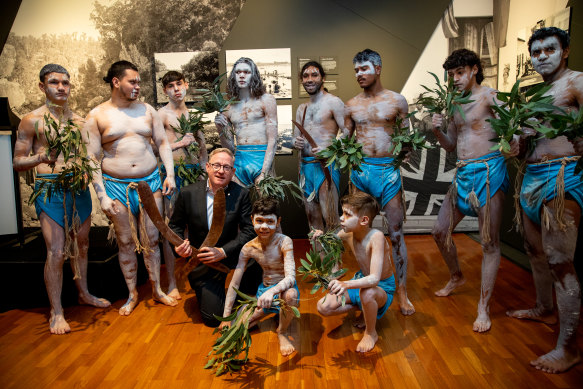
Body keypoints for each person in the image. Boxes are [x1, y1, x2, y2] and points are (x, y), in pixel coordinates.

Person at [506, 27, 582, 373]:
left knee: (558, 258)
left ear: (564, 50)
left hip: (563, 179)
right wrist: (517, 144)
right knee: (535, 251)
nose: (542, 57)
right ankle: (544, 307)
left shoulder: (577, 82)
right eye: (536, 52)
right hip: (531, 179)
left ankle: (568, 348)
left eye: (549, 50)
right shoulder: (533, 94)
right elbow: (524, 147)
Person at [13, 64, 110, 334]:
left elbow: (90, 158)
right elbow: (17, 162)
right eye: (54, 82)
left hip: (78, 189)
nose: (61, 87)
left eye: (65, 83)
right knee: (56, 251)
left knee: (82, 244)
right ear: (42, 87)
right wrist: (41, 157)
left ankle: (84, 293)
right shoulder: (31, 120)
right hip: (50, 189)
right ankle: (56, 312)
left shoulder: (80, 122)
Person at [85, 60, 177, 316]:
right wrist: (101, 196)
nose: (138, 86)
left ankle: (157, 289)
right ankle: (132, 293)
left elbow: (162, 143)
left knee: (153, 239)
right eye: (132, 81)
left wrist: (169, 174)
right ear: (116, 82)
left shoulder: (148, 110)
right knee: (126, 242)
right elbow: (91, 159)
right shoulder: (97, 115)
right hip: (116, 187)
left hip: (150, 182)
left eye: (138, 82)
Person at [430, 49, 509, 333]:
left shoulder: (490, 96)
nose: (455, 79)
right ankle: (457, 276)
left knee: (489, 242)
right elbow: (451, 144)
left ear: (474, 69)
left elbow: (515, 126)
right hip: (462, 173)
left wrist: (512, 147)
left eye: (459, 73)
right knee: (439, 231)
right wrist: (437, 130)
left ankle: (483, 307)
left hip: (489, 172)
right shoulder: (453, 103)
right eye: (451, 75)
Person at [344, 49, 414, 315]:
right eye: (356, 70)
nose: (359, 74)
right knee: (360, 234)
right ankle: (367, 286)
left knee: (396, 234)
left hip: (387, 171)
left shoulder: (397, 100)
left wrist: (407, 151)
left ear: (378, 68)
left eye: (364, 69)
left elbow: (407, 137)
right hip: (360, 172)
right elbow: (346, 137)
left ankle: (403, 291)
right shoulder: (351, 104)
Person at [171, 148, 263, 327]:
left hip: (231, 256)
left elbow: (249, 231)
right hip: (204, 263)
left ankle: (242, 294)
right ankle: (209, 290)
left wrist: (223, 251)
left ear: (232, 172)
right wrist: (178, 246)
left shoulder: (241, 194)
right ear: (207, 167)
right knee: (214, 319)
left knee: (258, 262)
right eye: (217, 165)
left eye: (227, 167)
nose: (221, 170)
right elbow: (175, 226)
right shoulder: (188, 193)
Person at [316, 192, 395, 353]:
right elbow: (331, 245)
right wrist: (321, 239)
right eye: (342, 212)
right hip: (361, 280)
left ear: (364, 220)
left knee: (367, 293)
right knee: (323, 307)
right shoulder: (346, 233)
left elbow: (374, 279)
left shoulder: (376, 237)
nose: (341, 218)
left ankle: (371, 333)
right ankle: (366, 310)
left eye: (347, 214)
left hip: (381, 286)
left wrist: (345, 284)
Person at [220, 197, 299, 356]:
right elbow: (235, 282)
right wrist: (225, 316)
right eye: (259, 221)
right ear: (252, 220)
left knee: (291, 295)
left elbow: (291, 277)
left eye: (270, 221)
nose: (264, 226)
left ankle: (282, 331)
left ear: (278, 222)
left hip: (283, 291)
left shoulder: (284, 241)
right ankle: (262, 314)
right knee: (236, 328)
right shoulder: (248, 248)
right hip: (264, 293)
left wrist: (273, 291)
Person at [157, 70, 208, 300]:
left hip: (196, 174)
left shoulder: (194, 113)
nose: (176, 89)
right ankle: (172, 282)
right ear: (165, 90)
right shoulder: (161, 115)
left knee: (198, 225)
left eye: (179, 84)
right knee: (173, 229)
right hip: (173, 175)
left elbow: (202, 144)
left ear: (186, 85)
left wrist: (207, 171)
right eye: (170, 86)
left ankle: (199, 275)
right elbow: (156, 147)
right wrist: (179, 143)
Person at [293, 61, 348, 230]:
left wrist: (330, 149)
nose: (310, 79)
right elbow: (295, 139)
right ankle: (320, 257)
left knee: (330, 218)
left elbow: (348, 132)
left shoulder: (334, 102)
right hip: (306, 168)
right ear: (301, 80)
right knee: (313, 220)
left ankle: (334, 257)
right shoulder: (302, 108)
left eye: (314, 75)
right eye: (305, 76)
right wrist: (295, 142)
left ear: (323, 78)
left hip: (326, 167)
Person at [214, 57, 277, 187]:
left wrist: (264, 172)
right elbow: (229, 147)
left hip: (262, 156)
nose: (242, 75)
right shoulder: (228, 107)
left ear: (253, 75)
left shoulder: (266, 100)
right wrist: (220, 128)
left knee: (267, 205)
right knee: (236, 204)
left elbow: (273, 140)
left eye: (246, 72)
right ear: (233, 76)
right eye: (238, 72)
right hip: (240, 157)